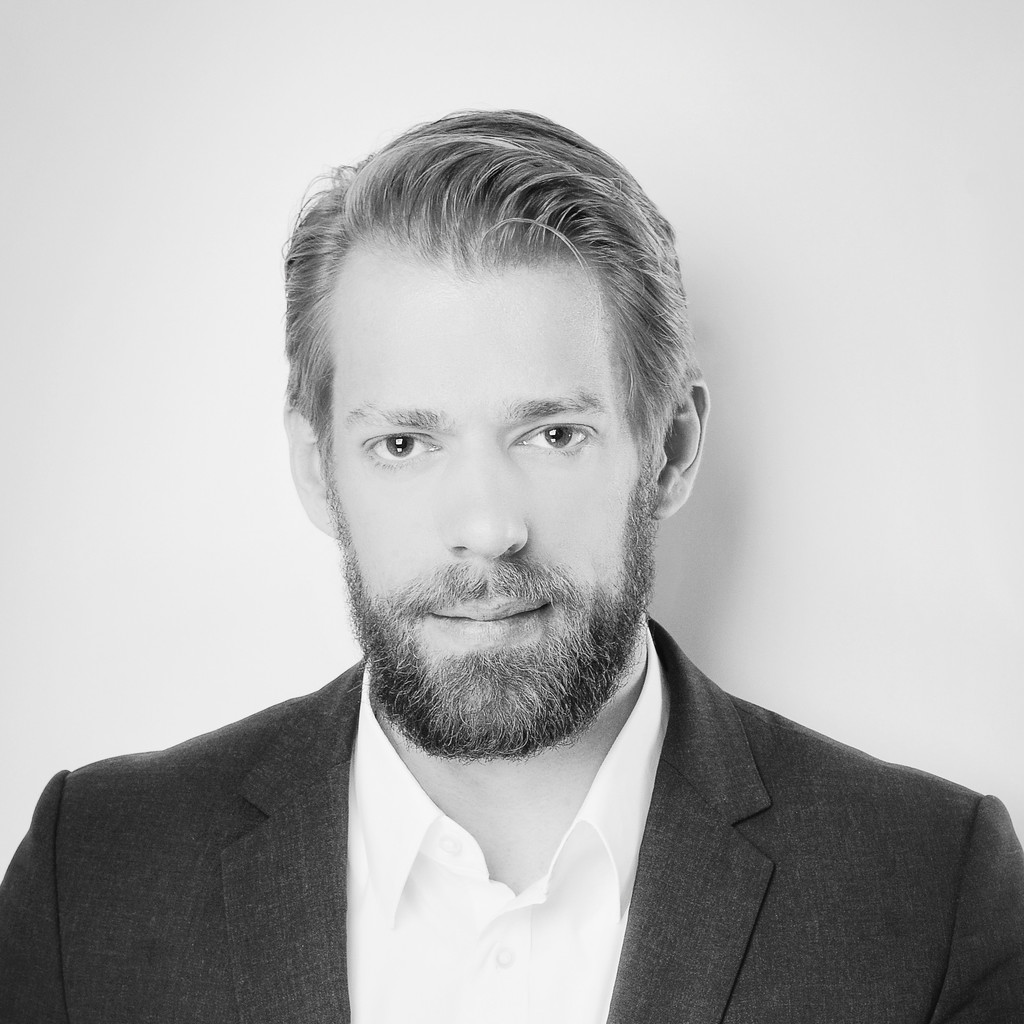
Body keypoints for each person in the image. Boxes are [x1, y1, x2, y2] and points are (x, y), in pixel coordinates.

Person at [1, 110, 1021, 1024]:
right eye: (405, 443)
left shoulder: (933, 888)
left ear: (668, 448)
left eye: (552, 434)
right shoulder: (86, 876)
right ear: (317, 468)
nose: (488, 529)